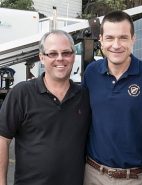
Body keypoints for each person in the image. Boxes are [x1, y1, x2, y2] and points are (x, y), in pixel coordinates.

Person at [82, 10, 142, 185]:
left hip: (135, 178)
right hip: (93, 175)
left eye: (123, 37)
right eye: (110, 38)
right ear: (101, 41)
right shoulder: (91, 73)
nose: (116, 44)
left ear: (133, 39)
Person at [0, 30, 91, 185]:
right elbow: (2, 139)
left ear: (73, 56)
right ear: (42, 58)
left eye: (66, 53)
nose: (60, 58)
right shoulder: (22, 93)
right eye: (52, 54)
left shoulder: (84, 96)